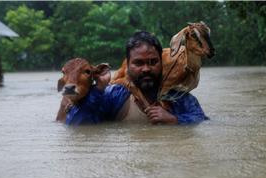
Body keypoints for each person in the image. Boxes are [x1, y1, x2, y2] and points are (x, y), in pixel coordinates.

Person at [66, 31, 208, 125]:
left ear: (161, 62)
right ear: (127, 65)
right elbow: (77, 125)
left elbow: (203, 121)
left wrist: (174, 119)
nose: (146, 69)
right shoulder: (114, 94)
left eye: (153, 62)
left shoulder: (179, 97)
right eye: (138, 63)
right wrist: (98, 90)